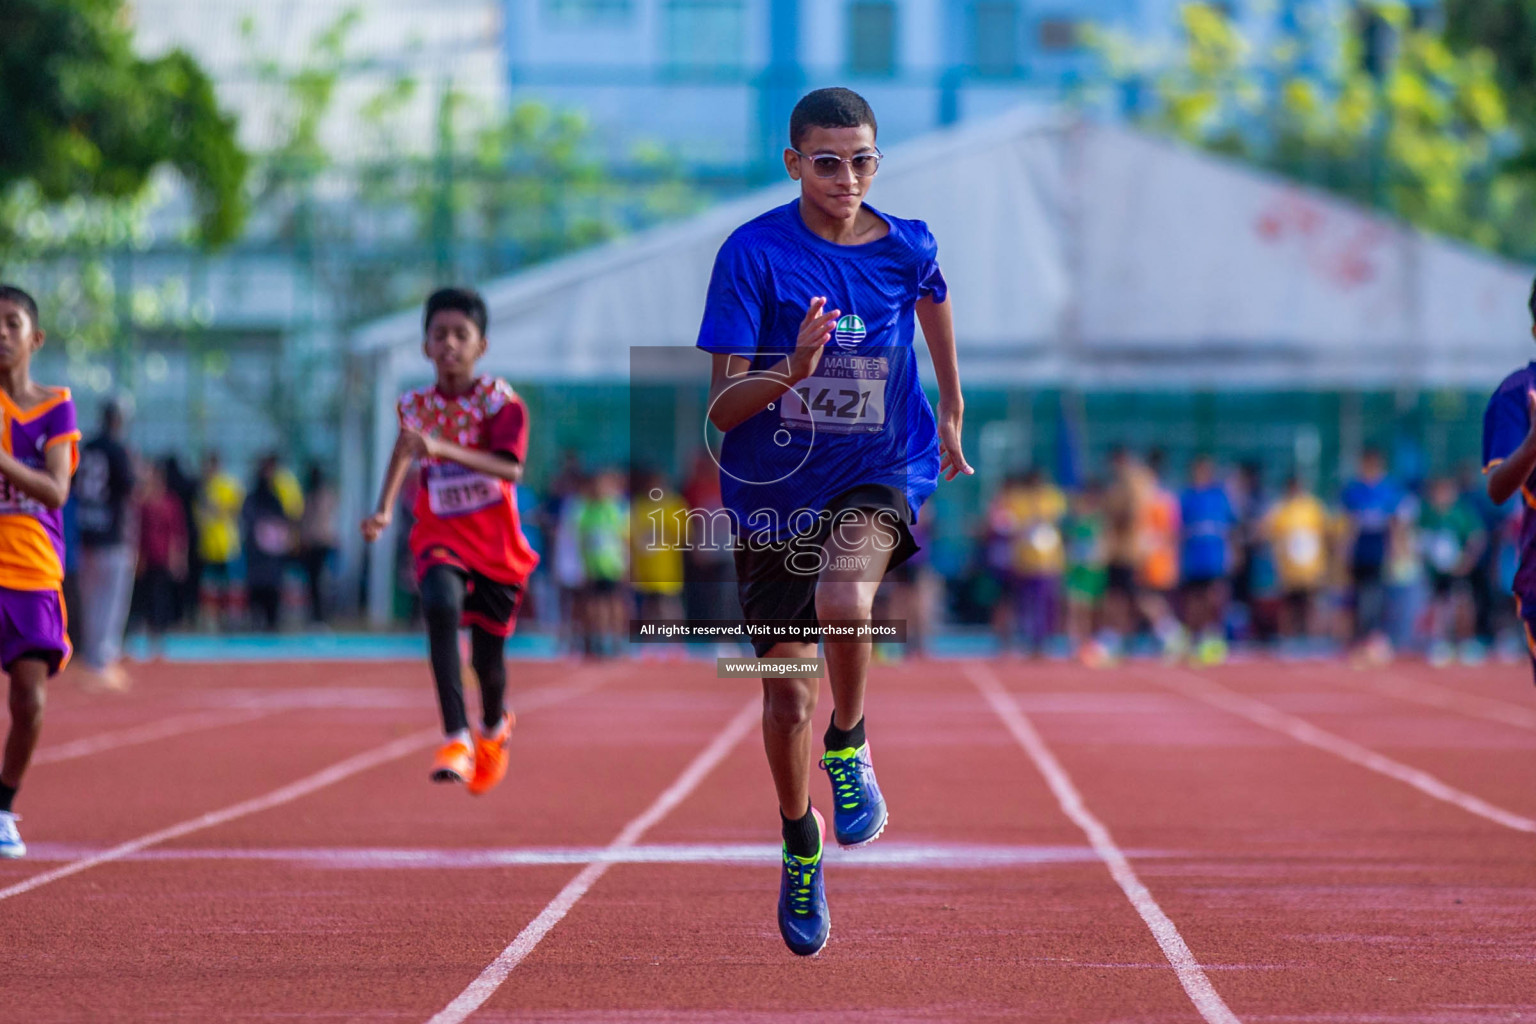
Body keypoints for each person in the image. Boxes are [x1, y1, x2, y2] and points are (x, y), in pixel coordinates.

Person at [697, 87, 971, 956]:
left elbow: (933, 301)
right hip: (774, 493)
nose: (847, 177)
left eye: (862, 160)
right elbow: (723, 412)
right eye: (827, 161)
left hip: (877, 469)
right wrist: (796, 364)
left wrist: (954, 411)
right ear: (793, 163)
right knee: (784, 701)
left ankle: (848, 746)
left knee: (844, 602)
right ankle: (799, 840)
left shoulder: (907, 245)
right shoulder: (752, 255)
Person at [362, 287, 539, 794]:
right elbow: (404, 452)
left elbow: (511, 466)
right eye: (439, 335)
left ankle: (492, 728)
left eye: (461, 335)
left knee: (488, 662)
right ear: (424, 346)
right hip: (439, 534)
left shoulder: (500, 403)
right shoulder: (414, 405)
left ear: (481, 345)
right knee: (438, 603)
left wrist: (443, 447)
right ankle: (455, 735)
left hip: (496, 544)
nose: (449, 344)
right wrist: (383, 510)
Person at [0, 286, 81, 857]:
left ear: (35, 337)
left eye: (12, 322)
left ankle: (2, 807)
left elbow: (56, 489)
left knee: (30, 702)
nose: (1, 333)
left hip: (31, 569)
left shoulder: (55, 407)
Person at [74, 399, 135, 689]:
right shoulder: (117, 450)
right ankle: (103, 659)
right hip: (112, 535)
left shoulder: (87, 448)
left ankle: (91, 655)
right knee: (111, 601)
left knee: (90, 599)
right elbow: (129, 487)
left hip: (86, 532)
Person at [1341, 448, 1405, 664]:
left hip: (1378, 546)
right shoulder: (1354, 490)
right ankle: (1358, 639)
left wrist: (1395, 549)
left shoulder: (1388, 490)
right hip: (1361, 546)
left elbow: (1394, 523)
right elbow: (1350, 523)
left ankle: (1375, 638)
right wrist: (1346, 550)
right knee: (1358, 595)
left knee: (1377, 594)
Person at [1419, 475, 1486, 665]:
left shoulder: (1460, 513)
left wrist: (1467, 561)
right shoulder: (1427, 514)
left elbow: (1477, 537)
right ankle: (1440, 643)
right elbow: (1419, 540)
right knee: (1439, 606)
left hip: (1459, 568)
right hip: (1437, 571)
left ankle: (1467, 642)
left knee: (1463, 603)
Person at [1178, 455, 1236, 665]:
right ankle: (1195, 639)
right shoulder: (1186, 497)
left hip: (1214, 557)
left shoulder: (1219, 497)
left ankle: (1214, 638)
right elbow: (1179, 529)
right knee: (1194, 600)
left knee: (1215, 598)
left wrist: (1232, 553)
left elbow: (1231, 527)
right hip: (1193, 558)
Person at [1264, 474, 1330, 642]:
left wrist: (1325, 565)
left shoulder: (1313, 508)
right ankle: (1288, 639)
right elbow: (1274, 538)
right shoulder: (1281, 510)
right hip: (1289, 570)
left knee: (1310, 605)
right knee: (1289, 606)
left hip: (1311, 568)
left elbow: (1324, 536)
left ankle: (1311, 638)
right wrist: (1277, 566)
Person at [135, 459, 188, 654]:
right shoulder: (142, 503)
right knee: (147, 596)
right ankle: (148, 631)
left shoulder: (170, 503)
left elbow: (177, 532)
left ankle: (159, 634)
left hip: (163, 557)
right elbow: (138, 532)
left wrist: (178, 558)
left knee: (161, 596)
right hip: (147, 557)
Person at [242, 455, 296, 632]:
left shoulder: (276, 500)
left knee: (271, 591)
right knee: (257, 592)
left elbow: (284, 524)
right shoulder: (252, 500)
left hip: (272, 558)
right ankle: (257, 622)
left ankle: (271, 623)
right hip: (257, 556)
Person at [196, 451, 244, 629]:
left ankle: (229, 621)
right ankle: (211, 621)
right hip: (208, 545)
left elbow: (236, 510)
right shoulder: (203, 487)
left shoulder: (229, 485)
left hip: (227, 544)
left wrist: (217, 510)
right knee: (209, 588)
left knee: (229, 586)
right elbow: (200, 515)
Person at [298, 464, 339, 624]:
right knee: (314, 581)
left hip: (323, 543)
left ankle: (323, 614)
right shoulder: (310, 496)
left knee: (322, 581)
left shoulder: (325, 496)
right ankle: (316, 614)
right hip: (312, 543)